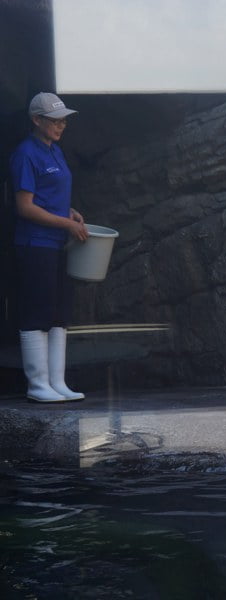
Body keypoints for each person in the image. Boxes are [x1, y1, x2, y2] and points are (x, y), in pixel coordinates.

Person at [10, 92, 88, 402]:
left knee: (59, 313)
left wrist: (70, 213)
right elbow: (25, 207)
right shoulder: (25, 154)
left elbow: (51, 196)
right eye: (55, 120)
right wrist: (66, 225)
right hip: (35, 243)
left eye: (64, 119)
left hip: (58, 244)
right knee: (37, 312)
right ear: (37, 120)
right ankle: (38, 384)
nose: (62, 125)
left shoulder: (55, 151)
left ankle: (58, 382)